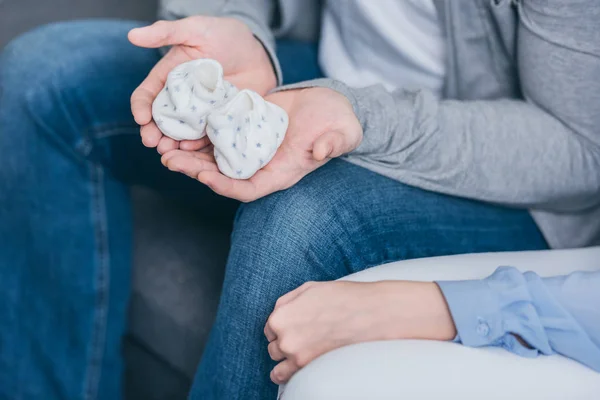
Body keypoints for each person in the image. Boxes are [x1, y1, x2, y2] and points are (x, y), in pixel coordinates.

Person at [0, 0, 598, 399]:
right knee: (43, 76)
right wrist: (237, 29)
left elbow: (580, 150)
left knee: (296, 214)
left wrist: (359, 116)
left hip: (507, 177)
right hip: (328, 72)